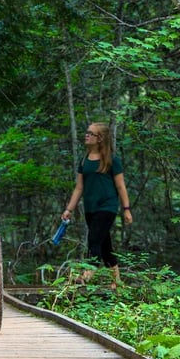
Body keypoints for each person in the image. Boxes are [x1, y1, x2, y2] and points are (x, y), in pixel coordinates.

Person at [61, 122, 133, 287]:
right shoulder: (84, 160)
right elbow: (79, 187)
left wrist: (126, 209)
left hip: (107, 207)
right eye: (87, 132)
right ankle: (117, 282)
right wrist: (69, 209)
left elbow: (121, 186)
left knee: (94, 240)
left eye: (90, 133)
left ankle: (86, 275)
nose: (86, 135)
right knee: (105, 245)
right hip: (91, 208)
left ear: (100, 138)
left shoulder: (111, 160)